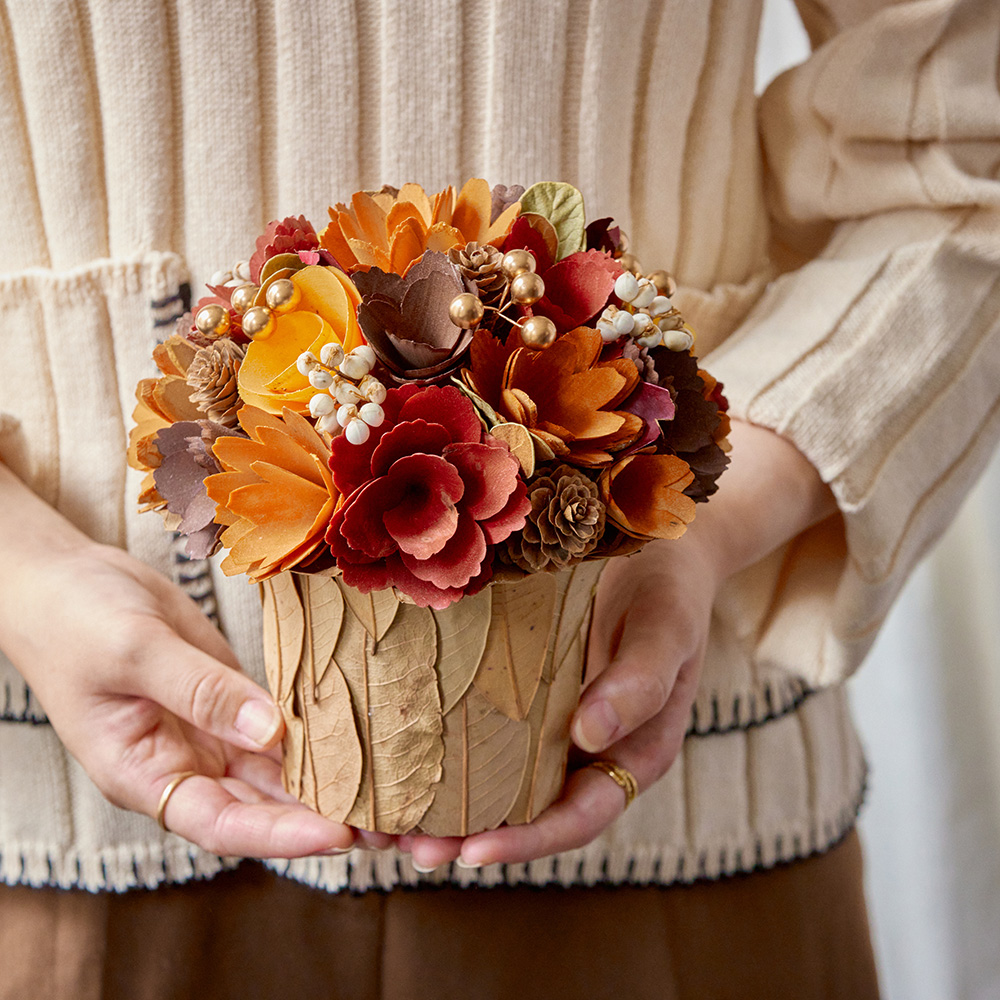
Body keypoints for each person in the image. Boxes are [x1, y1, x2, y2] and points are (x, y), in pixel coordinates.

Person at [0, 0, 997, 997]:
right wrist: (27, 576)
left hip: (683, 831)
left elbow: (969, 144)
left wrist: (707, 527)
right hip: (78, 847)